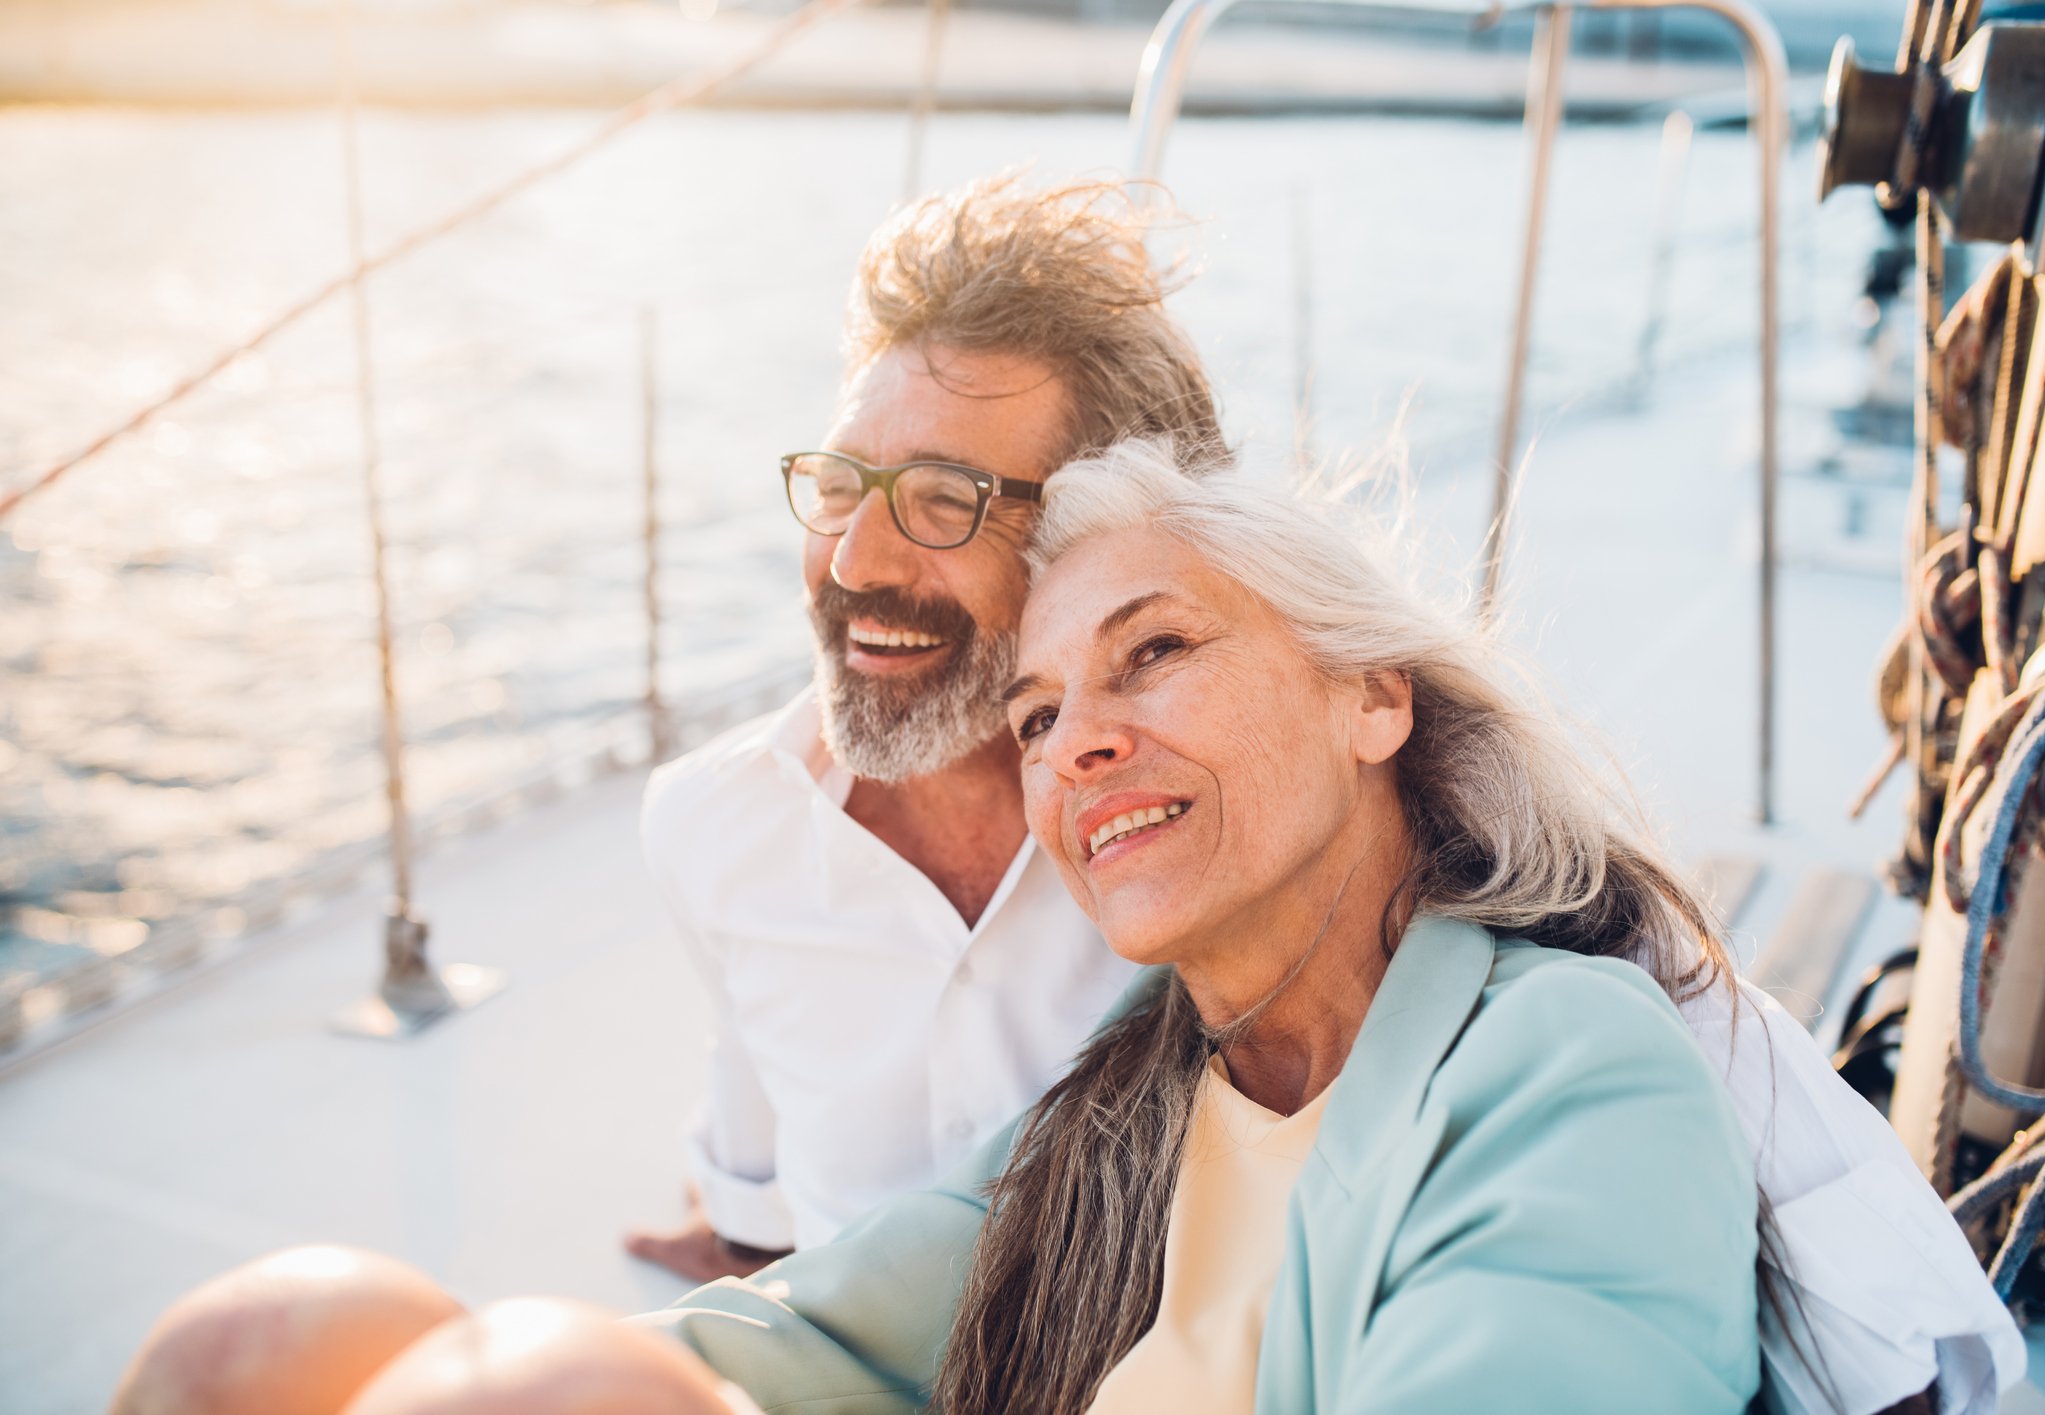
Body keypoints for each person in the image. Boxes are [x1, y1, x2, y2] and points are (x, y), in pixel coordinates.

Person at [114, 441, 1770, 1413]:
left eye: (1154, 653)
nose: (1079, 742)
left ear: (1368, 702)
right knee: (279, 1345)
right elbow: (818, 1336)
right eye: (1037, 713)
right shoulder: (1136, 1105)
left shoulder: (1563, 1070)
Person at [622, 174, 1227, 1281]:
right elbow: (763, 1202)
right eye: (844, 484)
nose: (853, 564)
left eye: (943, 499)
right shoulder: (712, 823)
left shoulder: (1226, 814)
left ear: (1107, 532)